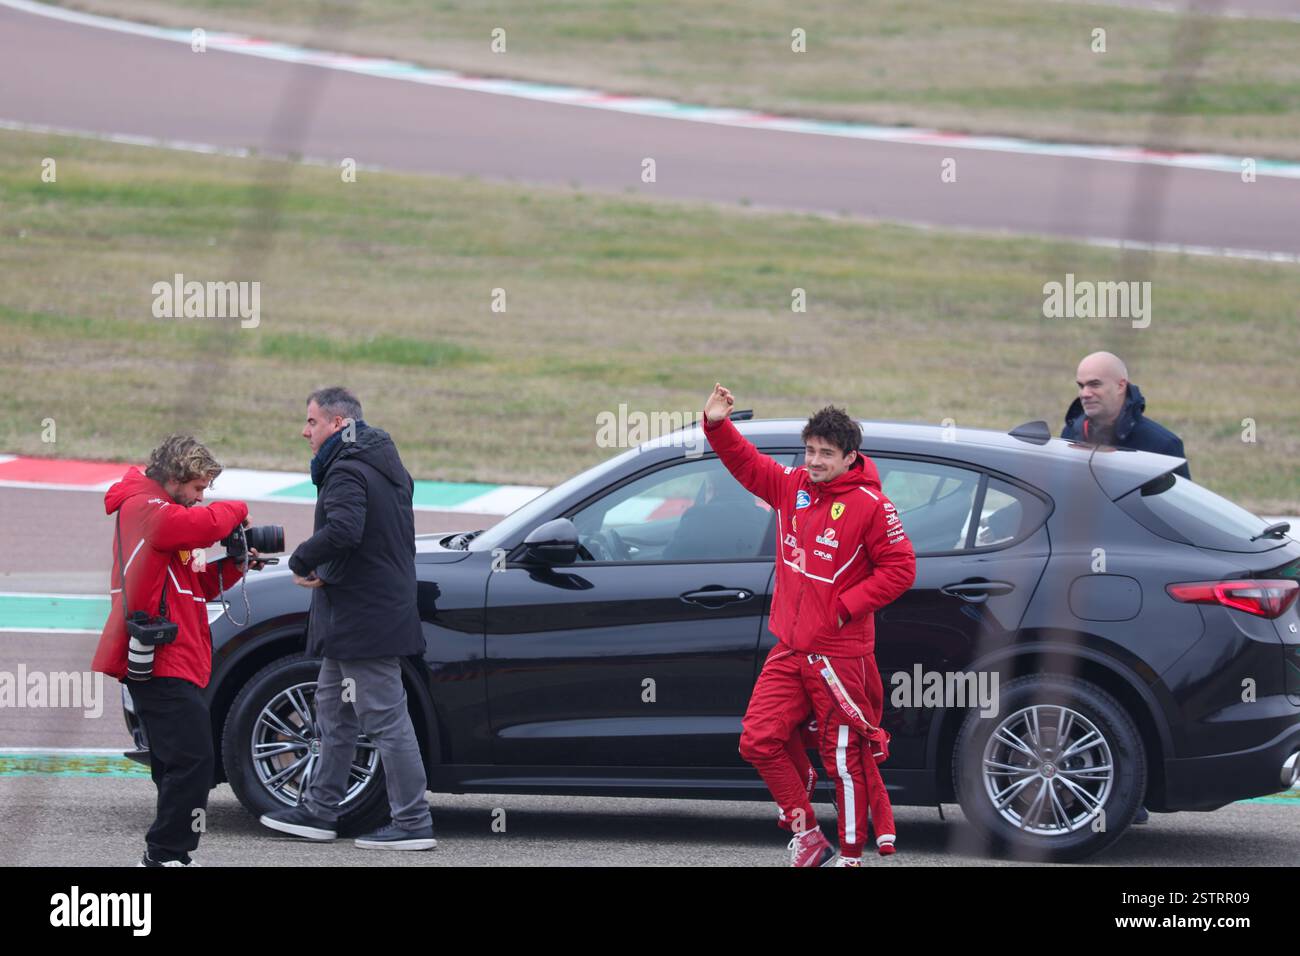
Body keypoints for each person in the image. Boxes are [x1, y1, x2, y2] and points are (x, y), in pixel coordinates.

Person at [702, 384, 916, 866]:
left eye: (826, 453)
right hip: (791, 649)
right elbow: (747, 464)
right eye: (811, 450)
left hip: (840, 657)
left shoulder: (871, 506)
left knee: (844, 762)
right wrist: (717, 425)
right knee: (759, 739)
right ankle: (807, 835)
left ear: (849, 457)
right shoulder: (793, 486)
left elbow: (901, 569)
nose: (815, 461)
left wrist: (843, 608)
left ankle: (851, 857)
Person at [258, 387, 435, 851]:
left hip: (364, 619)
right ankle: (319, 811)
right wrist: (330, 568)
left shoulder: (348, 467)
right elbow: (371, 539)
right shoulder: (382, 463)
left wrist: (303, 560)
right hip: (361, 614)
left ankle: (413, 821)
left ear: (338, 424)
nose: (305, 430)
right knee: (334, 714)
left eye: (312, 422)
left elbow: (344, 530)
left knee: (386, 720)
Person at [92, 434, 264, 867]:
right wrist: (237, 510)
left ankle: (167, 855)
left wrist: (237, 563)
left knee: (175, 761)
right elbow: (198, 526)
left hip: (176, 656)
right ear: (174, 477)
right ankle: (166, 854)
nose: (200, 499)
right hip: (162, 657)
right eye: (197, 489)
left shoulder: (165, 517)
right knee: (194, 761)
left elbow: (196, 584)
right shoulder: (145, 508)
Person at [1062, 351, 1190, 479]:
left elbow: (1179, 498)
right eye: (1081, 386)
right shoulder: (1070, 435)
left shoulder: (1162, 445)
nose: (1085, 394)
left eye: (1094, 384)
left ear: (1120, 386)